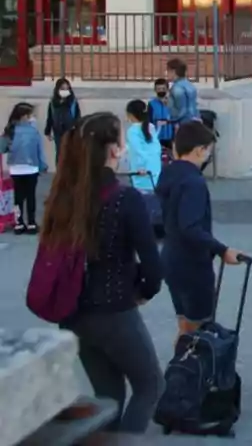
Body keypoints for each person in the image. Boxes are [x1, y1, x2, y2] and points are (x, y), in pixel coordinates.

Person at [43, 112, 164, 433]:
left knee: (108, 396)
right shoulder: (126, 198)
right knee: (150, 385)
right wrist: (142, 291)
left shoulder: (64, 195)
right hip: (114, 309)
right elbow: (153, 268)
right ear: (113, 150)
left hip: (72, 313)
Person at [157, 120, 243, 342]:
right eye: (208, 151)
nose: (208, 156)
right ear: (199, 150)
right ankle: (188, 373)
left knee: (185, 326)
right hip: (192, 265)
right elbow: (191, 227)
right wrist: (222, 249)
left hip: (171, 258)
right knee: (198, 329)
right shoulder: (193, 182)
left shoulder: (167, 174)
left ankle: (180, 371)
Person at [1, 102, 48, 234]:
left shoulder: (10, 130)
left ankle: (19, 223)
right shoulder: (33, 131)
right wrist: (43, 165)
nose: (33, 117)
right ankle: (31, 223)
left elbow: (2, 148)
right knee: (30, 196)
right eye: (31, 115)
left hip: (15, 168)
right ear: (24, 116)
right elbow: (40, 150)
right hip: (31, 167)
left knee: (18, 197)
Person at [123, 101, 161, 194]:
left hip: (141, 175)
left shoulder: (132, 131)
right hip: (155, 173)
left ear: (130, 115)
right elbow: (156, 148)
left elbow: (137, 151)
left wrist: (140, 167)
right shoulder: (151, 127)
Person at [45, 78, 81, 163]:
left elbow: (78, 117)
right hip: (58, 131)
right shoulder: (53, 102)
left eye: (67, 89)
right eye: (62, 89)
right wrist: (47, 131)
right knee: (59, 153)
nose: (65, 91)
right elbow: (50, 117)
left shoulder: (73, 102)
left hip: (70, 131)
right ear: (57, 89)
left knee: (70, 153)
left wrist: (77, 129)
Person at [165, 58, 199, 125]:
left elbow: (180, 110)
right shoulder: (190, 85)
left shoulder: (177, 88)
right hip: (195, 121)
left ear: (173, 71)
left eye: (168, 70)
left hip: (183, 124)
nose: (166, 73)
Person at [148, 78, 175, 156]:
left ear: (167, 89)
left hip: (170, 137)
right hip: (157, 137)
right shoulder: (152, 104)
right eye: (158, 89)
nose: (161, 91)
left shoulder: (172, 103)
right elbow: (149, 121)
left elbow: (176, 118)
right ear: (155, 90)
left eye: (163, 89)